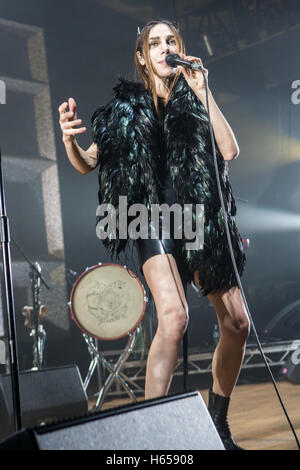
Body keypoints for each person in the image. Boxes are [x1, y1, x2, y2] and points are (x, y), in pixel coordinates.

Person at [58, 19, 250, 450]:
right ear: (142, 56)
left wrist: (203, 91)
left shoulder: (195, 100)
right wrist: (70, 140)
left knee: (237, 322)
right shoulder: (124, 110)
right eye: (155, 43)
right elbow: (88, 162)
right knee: (175, 317)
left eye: (171, 41)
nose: (165, 48)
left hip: (200, 220)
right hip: (149, 218)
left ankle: (218, 422)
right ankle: (152, 438)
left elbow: (230, 150)